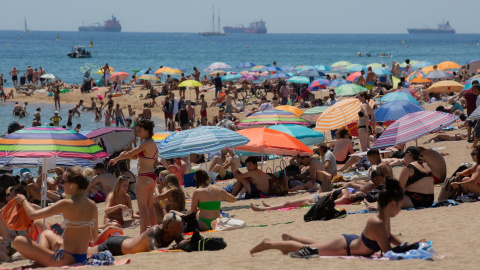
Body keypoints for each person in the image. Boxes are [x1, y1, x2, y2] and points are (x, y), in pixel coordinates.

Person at [250, 179, 415, 258]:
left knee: (316, 244)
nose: (400, 210)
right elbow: (387, 251)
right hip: (345, 247)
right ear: (391, 204)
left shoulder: (384, 218)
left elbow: (389, 237)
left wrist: (408, 245)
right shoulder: (377, 221)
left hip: (349, 243)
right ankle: (268, 243)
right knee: (308, 249)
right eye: (399, 206)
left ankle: (289, 238)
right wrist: (407, 249)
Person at [13, 166, 99, 266]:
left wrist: (23, 201)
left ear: (73, 184)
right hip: (82, 256)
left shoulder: (66, 203)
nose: (60, 185)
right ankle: (42, 258)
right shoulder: (92, 205)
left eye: (63, 182)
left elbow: (33, 215)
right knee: (46, 233)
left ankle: (41, 260)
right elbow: (94, 237)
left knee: (18, 241)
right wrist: (72, 230)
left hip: (64, 258)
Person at [109, 119, 158, 233]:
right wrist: (125, 155)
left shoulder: (146, 143)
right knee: (149, 206)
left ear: (147, 130)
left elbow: (131, 154)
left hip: (144, 176)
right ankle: (155, 231)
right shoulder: (150, 143)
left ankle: (142, 234)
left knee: (142, 208)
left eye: (140, 131)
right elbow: (135, 157)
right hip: (151, 176)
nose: (138, 133)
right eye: (137, 131)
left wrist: (117, 158)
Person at [88, 212, 184, 256]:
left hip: (126, 242)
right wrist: (176, 247)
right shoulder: (154, 232)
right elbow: (155, 251)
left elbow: (182, 243)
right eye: (179, 228)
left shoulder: (174, 232)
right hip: (115, 245)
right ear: (170, 229)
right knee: (86, 251)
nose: (182, 229)